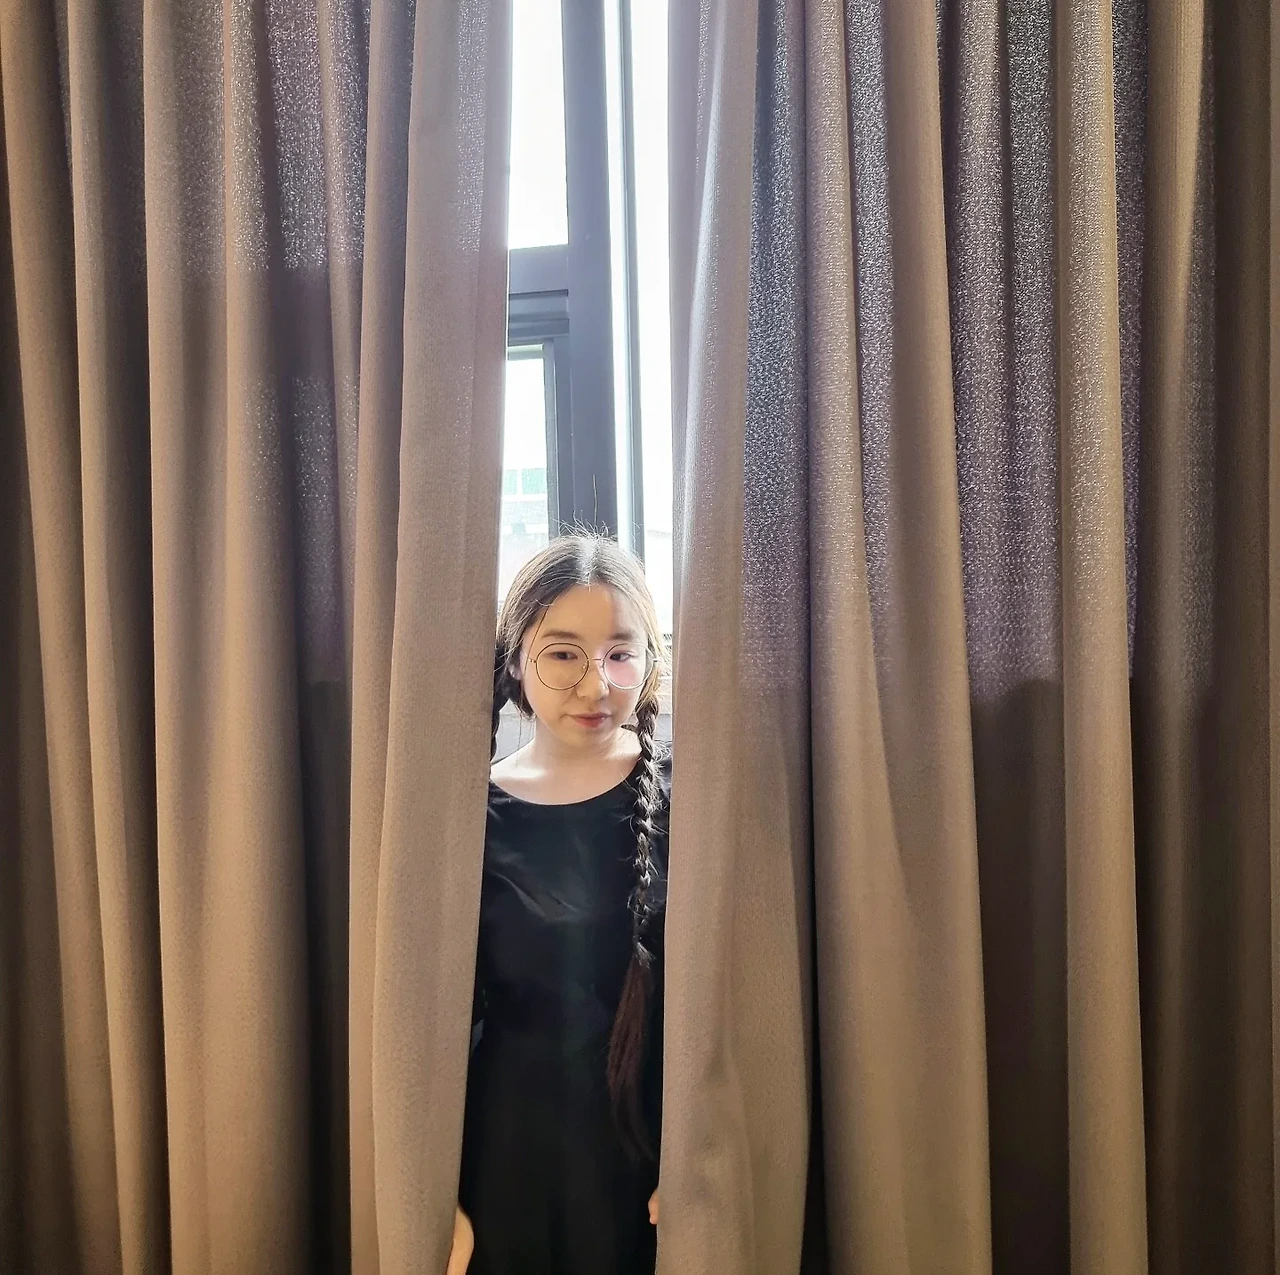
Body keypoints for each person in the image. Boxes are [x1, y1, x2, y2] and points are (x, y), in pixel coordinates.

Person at [449, 534, 671, 1275]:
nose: (595, 685)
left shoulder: (689, 796)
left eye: (620, 653)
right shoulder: (470, 814)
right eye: (564, 654)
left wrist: (706, 1155)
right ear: (516, 660)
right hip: (512, 1157)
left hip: (651, 1158)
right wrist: (438, 1194)